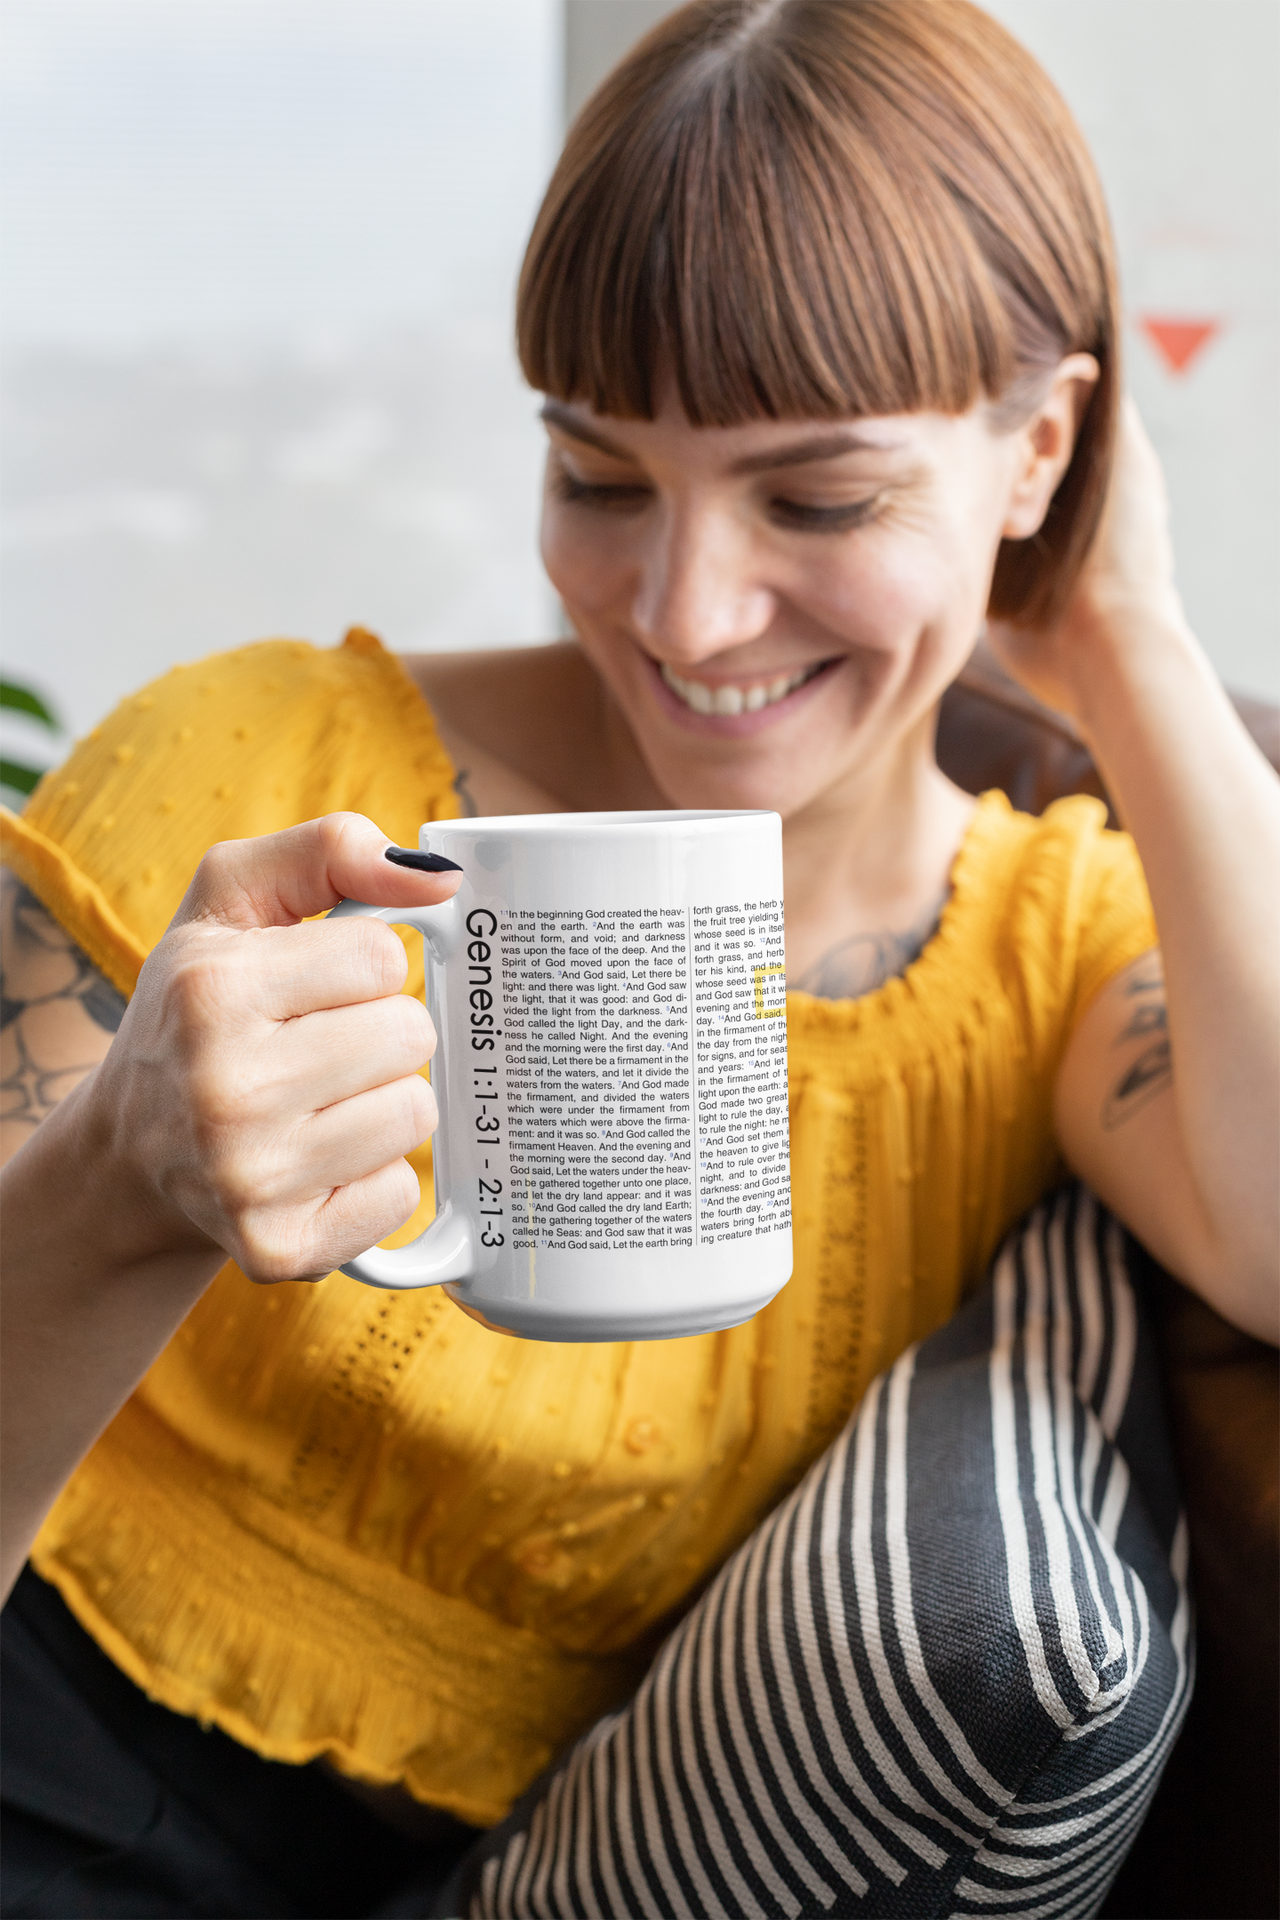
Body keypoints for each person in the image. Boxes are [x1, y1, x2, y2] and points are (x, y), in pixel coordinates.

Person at [1, 0, 1276, 1914]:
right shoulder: (257, 769)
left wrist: (1131, 639)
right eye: (599, 478)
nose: (682, 612)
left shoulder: (1047, 953)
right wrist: (118, 1184)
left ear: (1043, 454)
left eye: (820, 498)